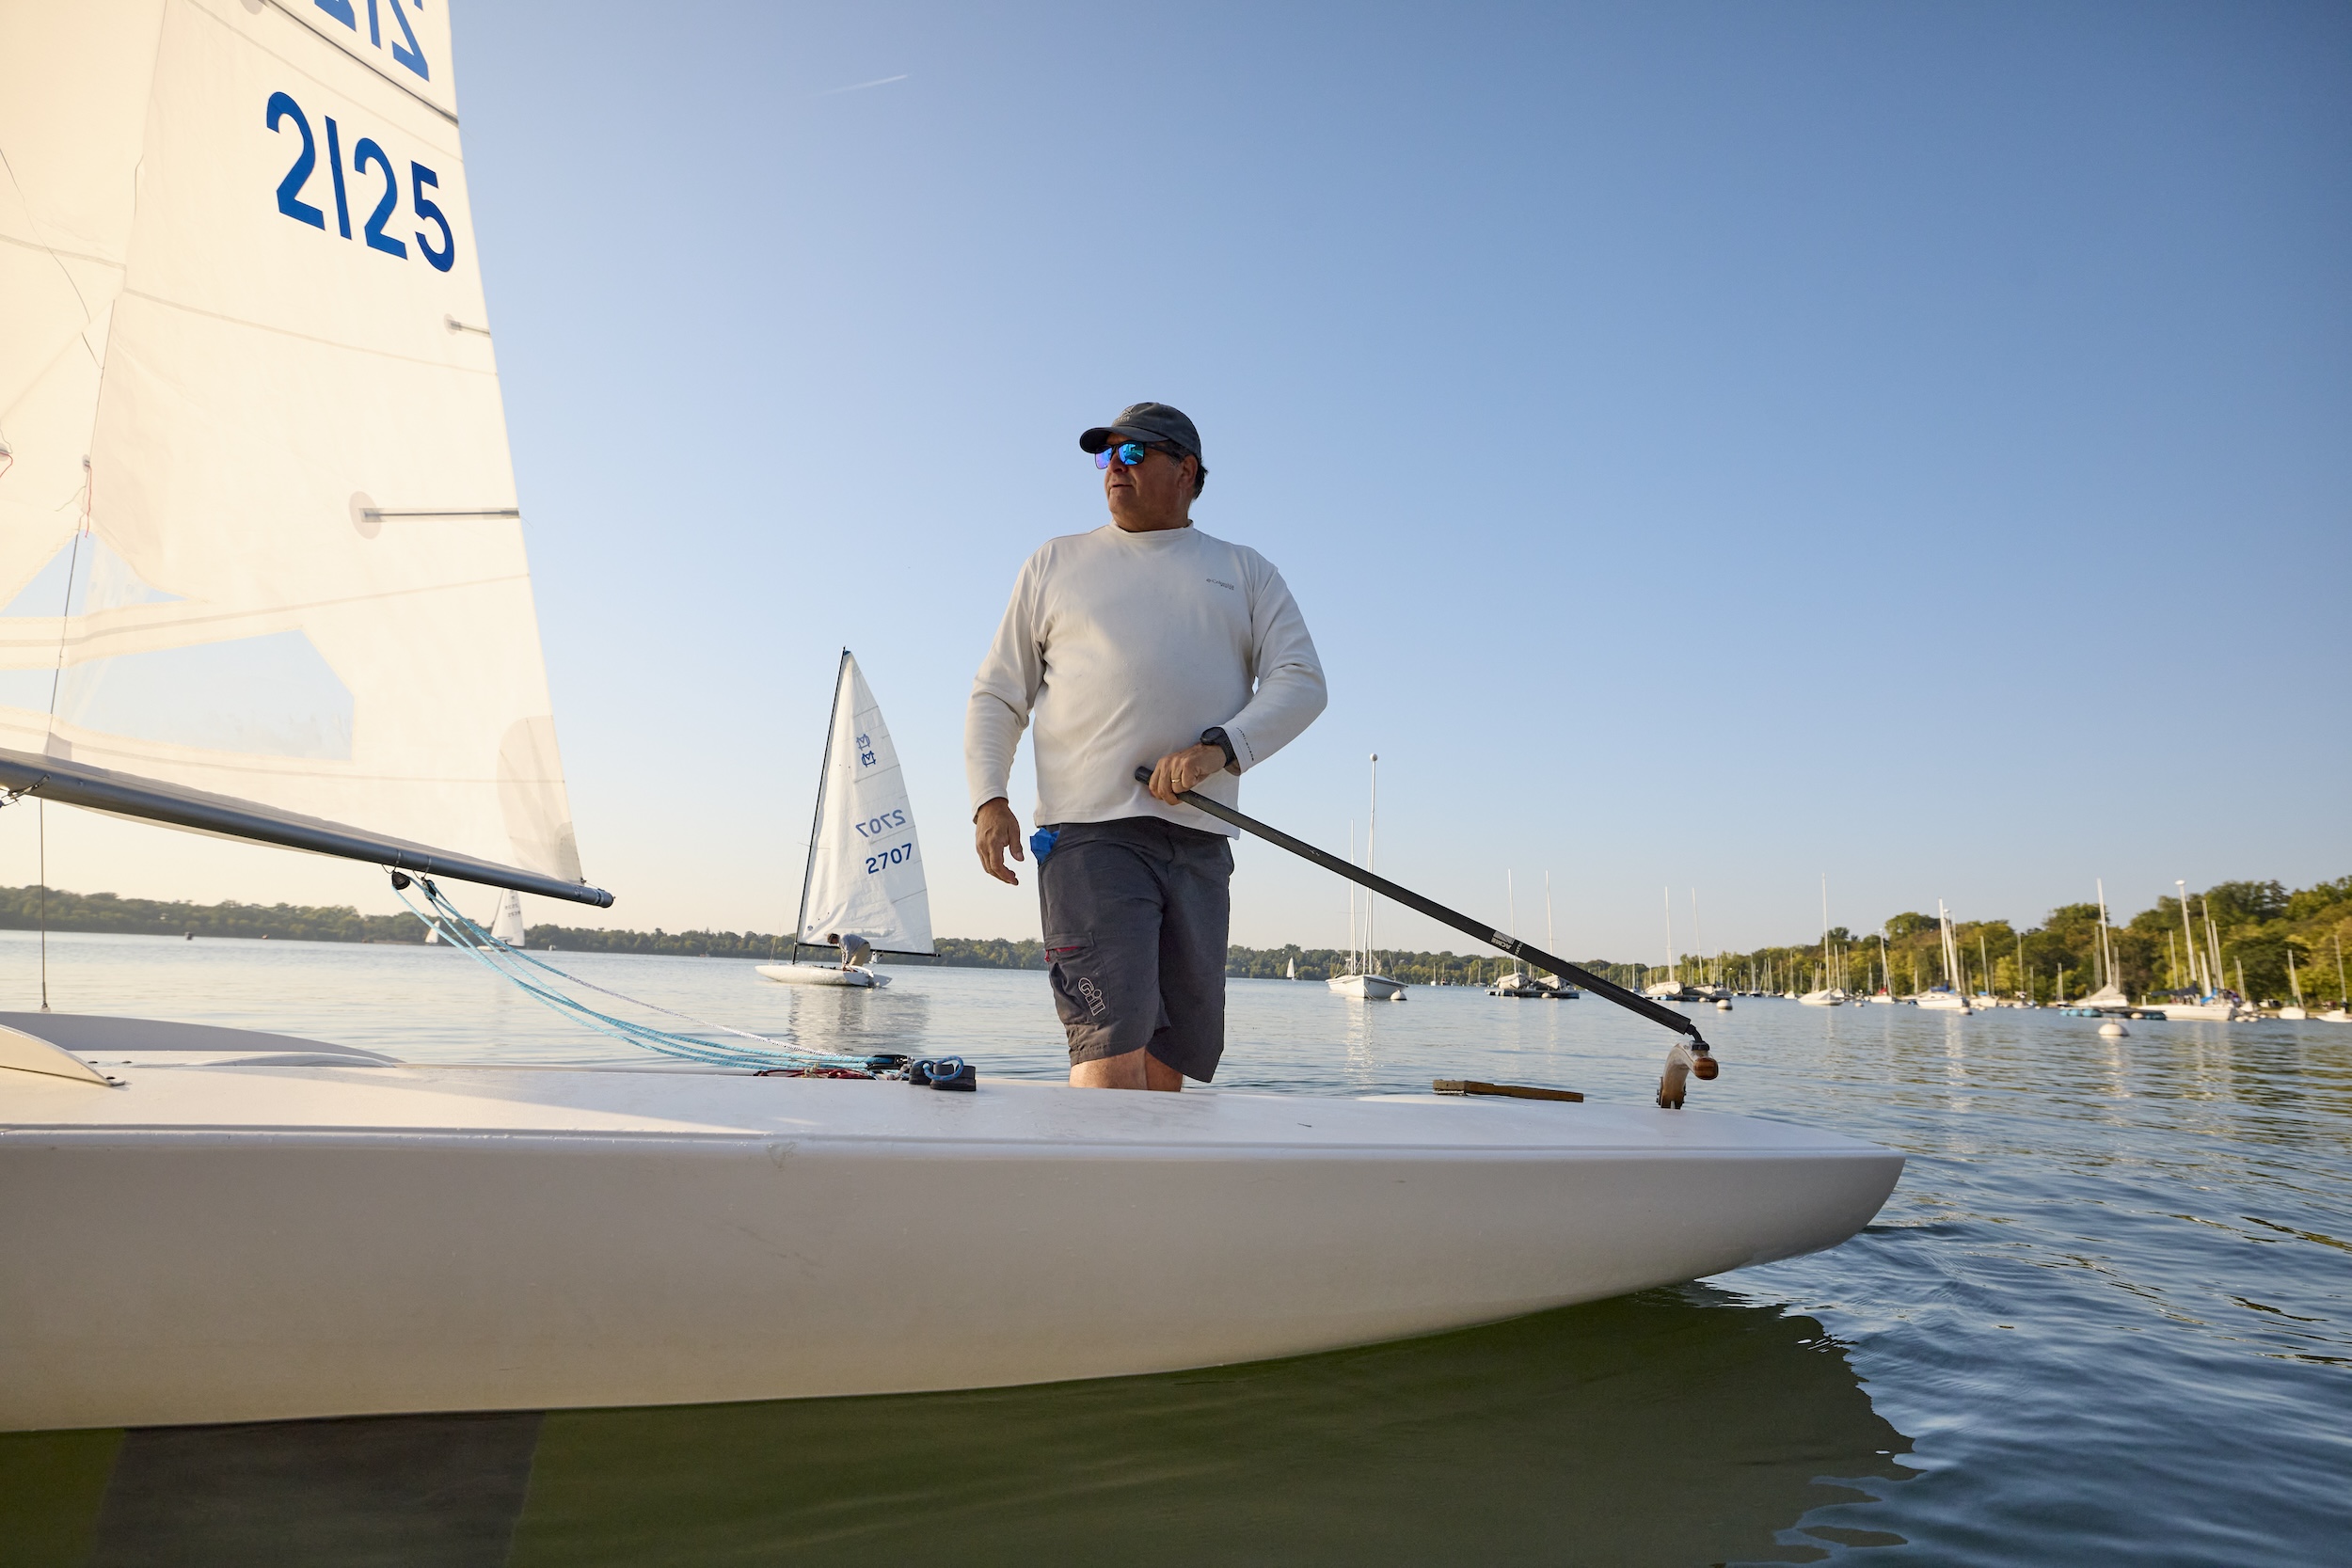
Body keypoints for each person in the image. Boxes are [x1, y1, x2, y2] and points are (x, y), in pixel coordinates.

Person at [965, 403, 1327, 1091]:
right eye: (1107, 455)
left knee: (1170, 1064)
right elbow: (998, 694)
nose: (1114, 468)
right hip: (1089, 838)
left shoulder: (1246, 571)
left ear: (1186, 471)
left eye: (1133, 453)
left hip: (1200, 844)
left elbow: (1302, 680)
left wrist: (1219, 749)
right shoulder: (1055, 562)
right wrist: (989, 799)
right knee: (1111, 1049)